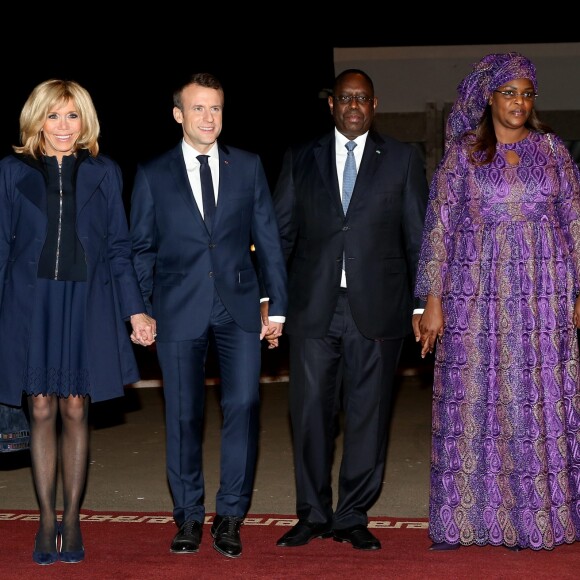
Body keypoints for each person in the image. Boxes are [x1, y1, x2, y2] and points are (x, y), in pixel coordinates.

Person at [415, 52, 580, 551]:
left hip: (545, 296)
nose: (519, 102)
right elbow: (439, 227)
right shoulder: (463, 154)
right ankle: (469, 519)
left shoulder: (553, 151)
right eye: (510, 92)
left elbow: (575, 222)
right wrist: (433, 300)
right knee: (477, 400)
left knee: (537, 403)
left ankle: (540, 519)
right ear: (489, 97)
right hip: (475, 294)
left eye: (527, 93)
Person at [130, 72, 287, 559]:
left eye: (215, 108)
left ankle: (231, 516)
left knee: (243, 409)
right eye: (198, 108)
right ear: (178, 114)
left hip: (239, 308)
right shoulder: (153, 173)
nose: (208, 118)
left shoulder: (248, 165)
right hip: (177, 310)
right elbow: (140, 249)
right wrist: (141, 309)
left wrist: (276, 307)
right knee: (183, 415)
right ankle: (189, 516)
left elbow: (270, 241)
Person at [271, 68, 429, 551]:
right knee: (310, 415)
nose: (354, 105)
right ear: (331, 105)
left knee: (368, 414)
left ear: (375, 104)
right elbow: (280, 236)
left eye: (362, 98)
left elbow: (418, 238)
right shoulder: (300, 157)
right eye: (345, 98)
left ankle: (352, 514)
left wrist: (423, 303)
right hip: (312, 308)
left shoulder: (402, 158)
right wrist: (272, 306)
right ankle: (313, 513)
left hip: (379, 310)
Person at [0, 79, 156, 566]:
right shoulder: (10, 171)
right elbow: (1, 247)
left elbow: (118, 248)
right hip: (32, 303)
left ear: (84, 121)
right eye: (53, 116)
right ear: (37, 120)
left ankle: (72, 516)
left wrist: (136, 309)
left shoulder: (105, 172)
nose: (63, 127)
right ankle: (46, 520)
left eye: (72, 116)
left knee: (74, 408)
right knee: (40, 408)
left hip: (86, 302)